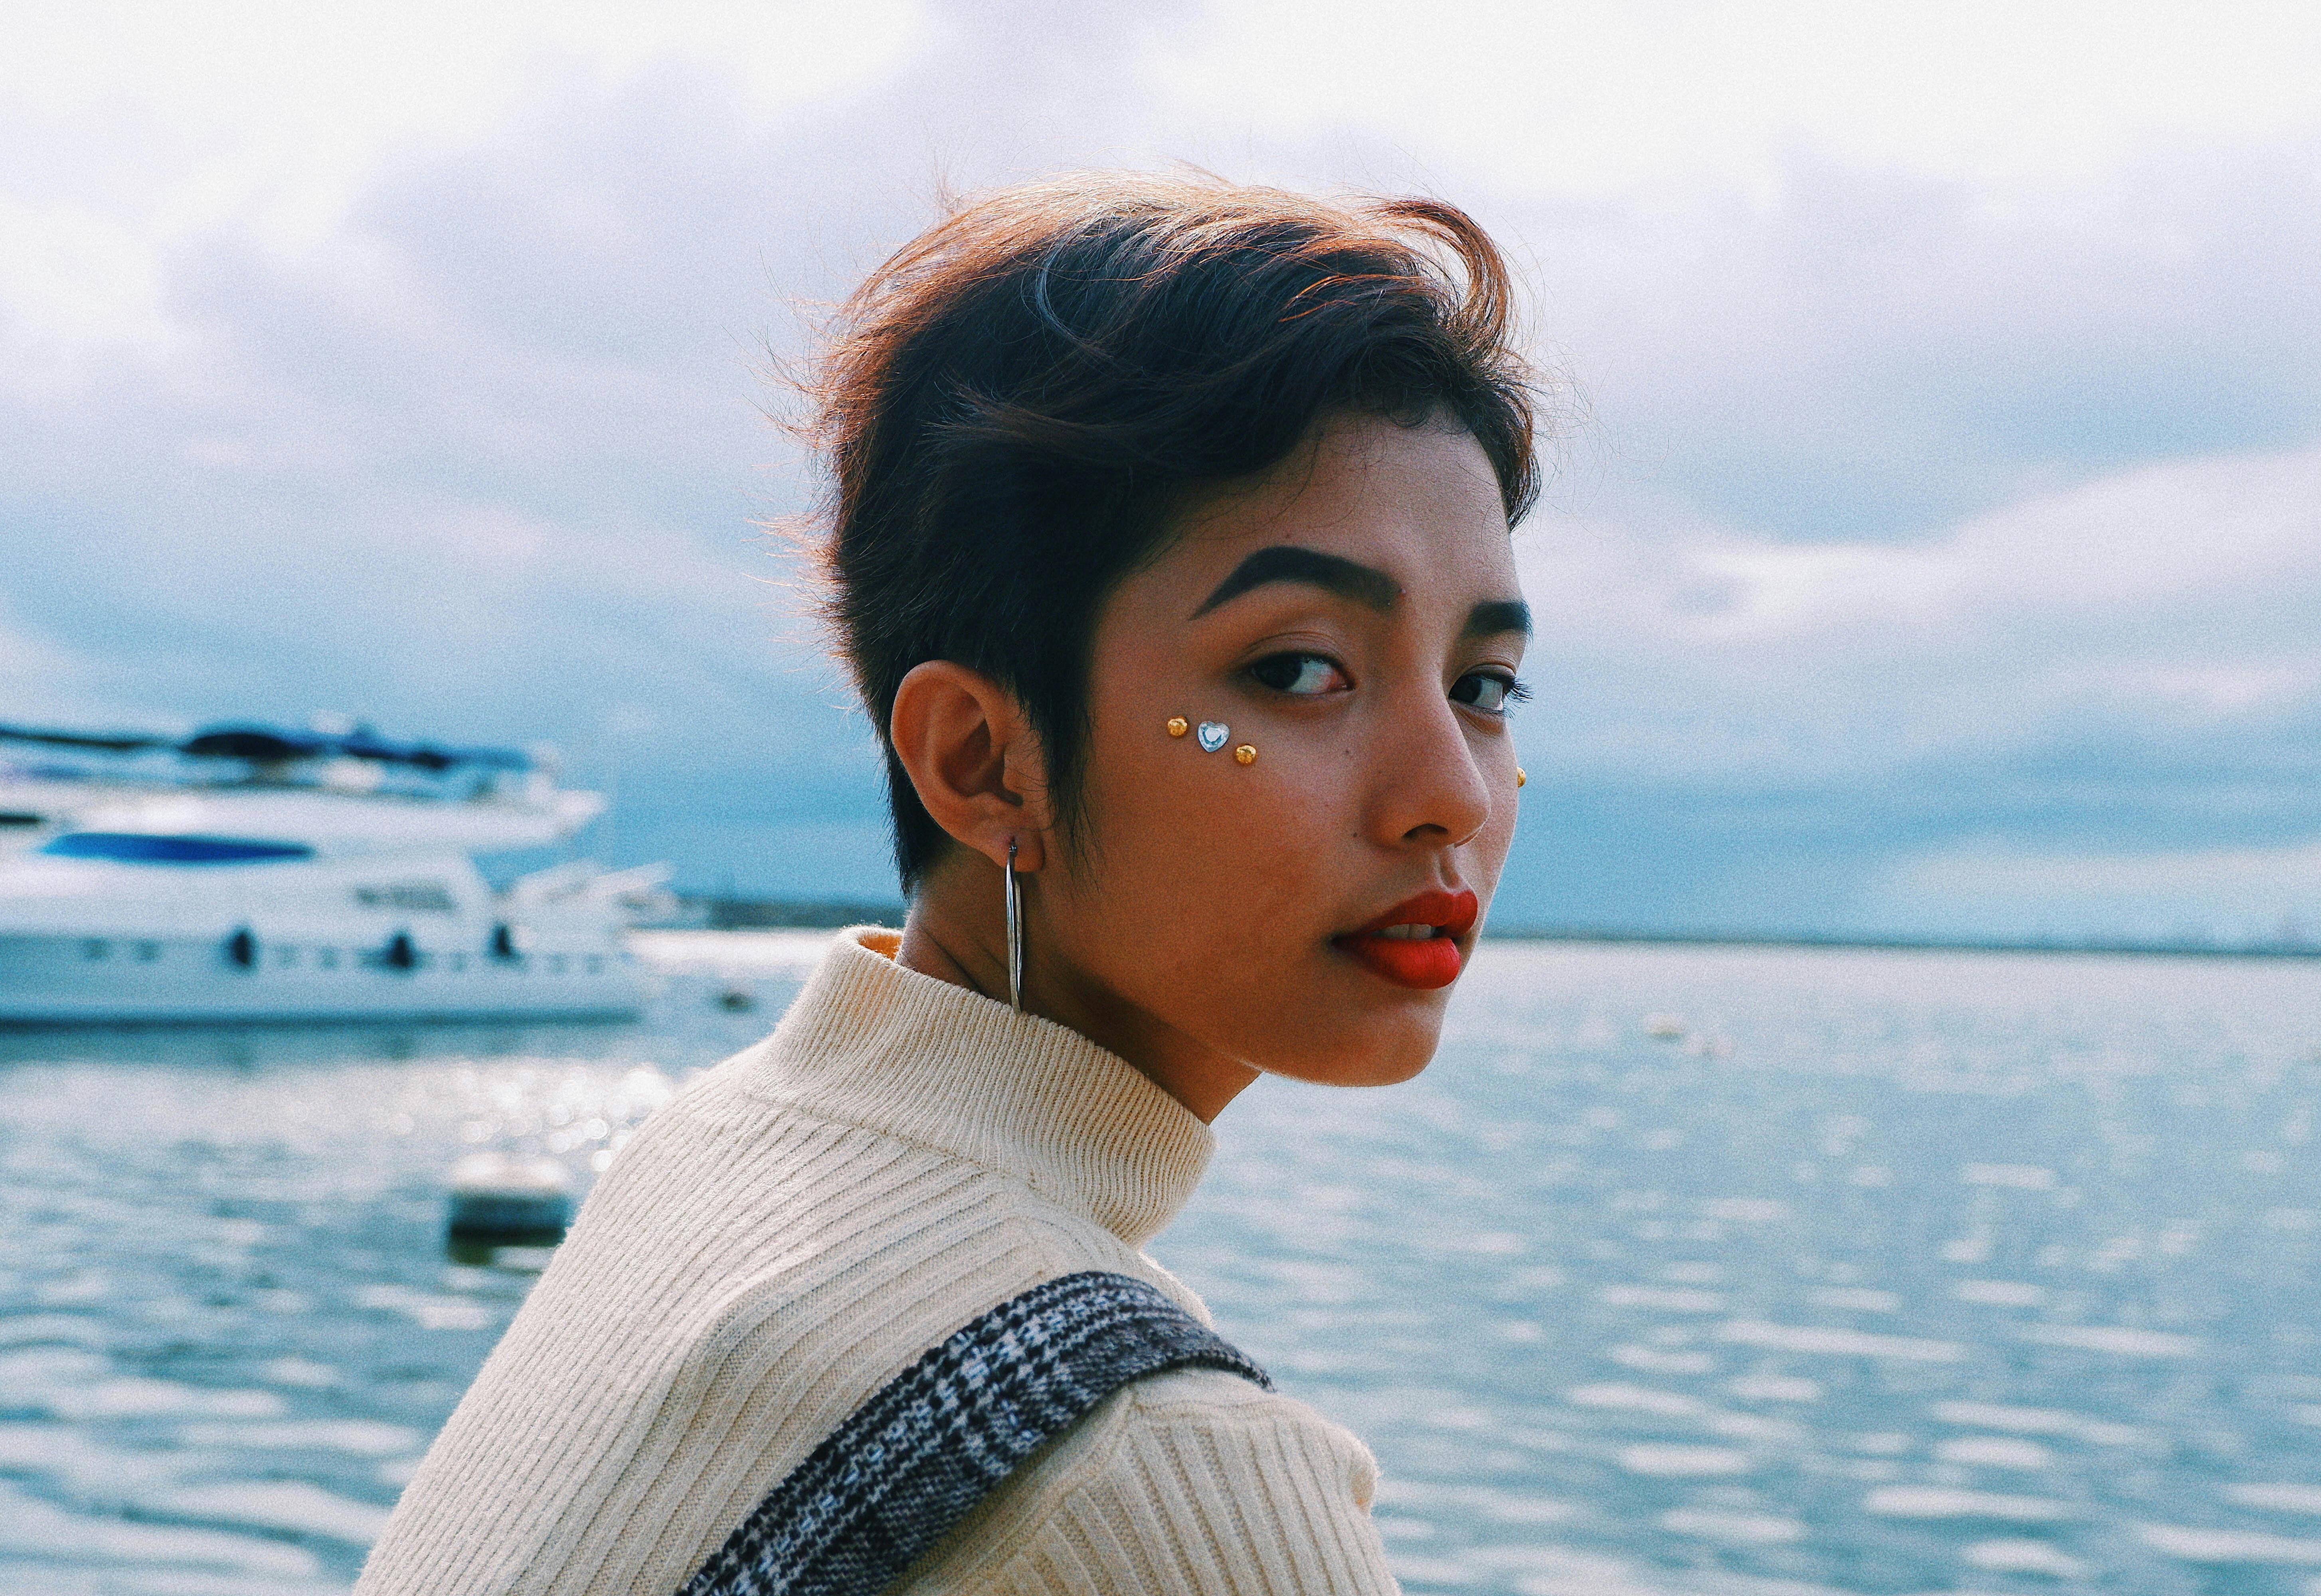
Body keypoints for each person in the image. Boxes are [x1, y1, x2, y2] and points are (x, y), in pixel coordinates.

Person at [357, 171, 1538, 1595]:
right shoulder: (1150, 1472)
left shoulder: (720, 1152)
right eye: (1296, 673)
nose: (1451, 798)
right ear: (984, 763)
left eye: (1484, 685)